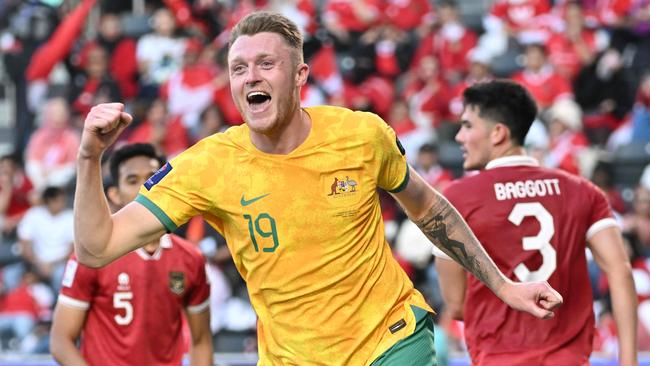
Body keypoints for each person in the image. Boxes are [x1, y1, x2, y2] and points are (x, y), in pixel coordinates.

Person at [74, 12, 562, 365]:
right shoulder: (207, 165)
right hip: (292, 357)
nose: (251, 77)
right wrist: (89, 157)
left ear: (301, 75)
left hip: (390, 340)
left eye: (266, 64)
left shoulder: (361, 135)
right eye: (239, 68)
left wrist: (503, 285)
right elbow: (97, 249)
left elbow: (429, 208)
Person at [434, 80, 637, 366]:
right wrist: (628, 362)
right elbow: (620, 272)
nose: (459, 137)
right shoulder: (583, 191)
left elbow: (456, 305)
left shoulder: (457, 197)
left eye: (467, 126)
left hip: (498, 358)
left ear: (498, 133)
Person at [50, 143, 212, 366]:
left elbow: (201, 340)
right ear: (114, 194)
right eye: (133, 180)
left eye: (153, 177)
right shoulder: (90, 257)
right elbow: (61, 341)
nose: (146, 187)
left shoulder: (191, 259)